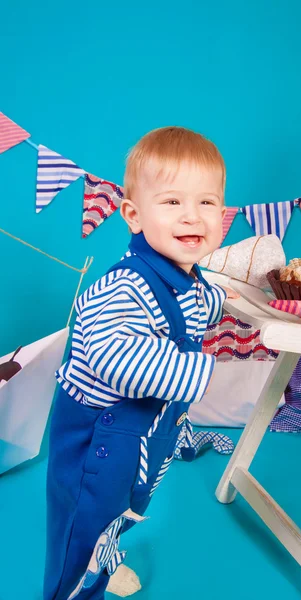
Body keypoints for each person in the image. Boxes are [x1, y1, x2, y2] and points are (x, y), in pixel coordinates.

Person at [44, 126, 239, 600]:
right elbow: (117, 358)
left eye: (207, 202)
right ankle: (77, 587)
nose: (192, 216)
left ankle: (105, 558)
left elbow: (191, 307)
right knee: (81, 530)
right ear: (133, 214)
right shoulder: (122, 289)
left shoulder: (183, 277)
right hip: (100, 441)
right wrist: (206, 372)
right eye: (172, 202)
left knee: (125, 508)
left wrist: (222, 300)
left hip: (141, 437)